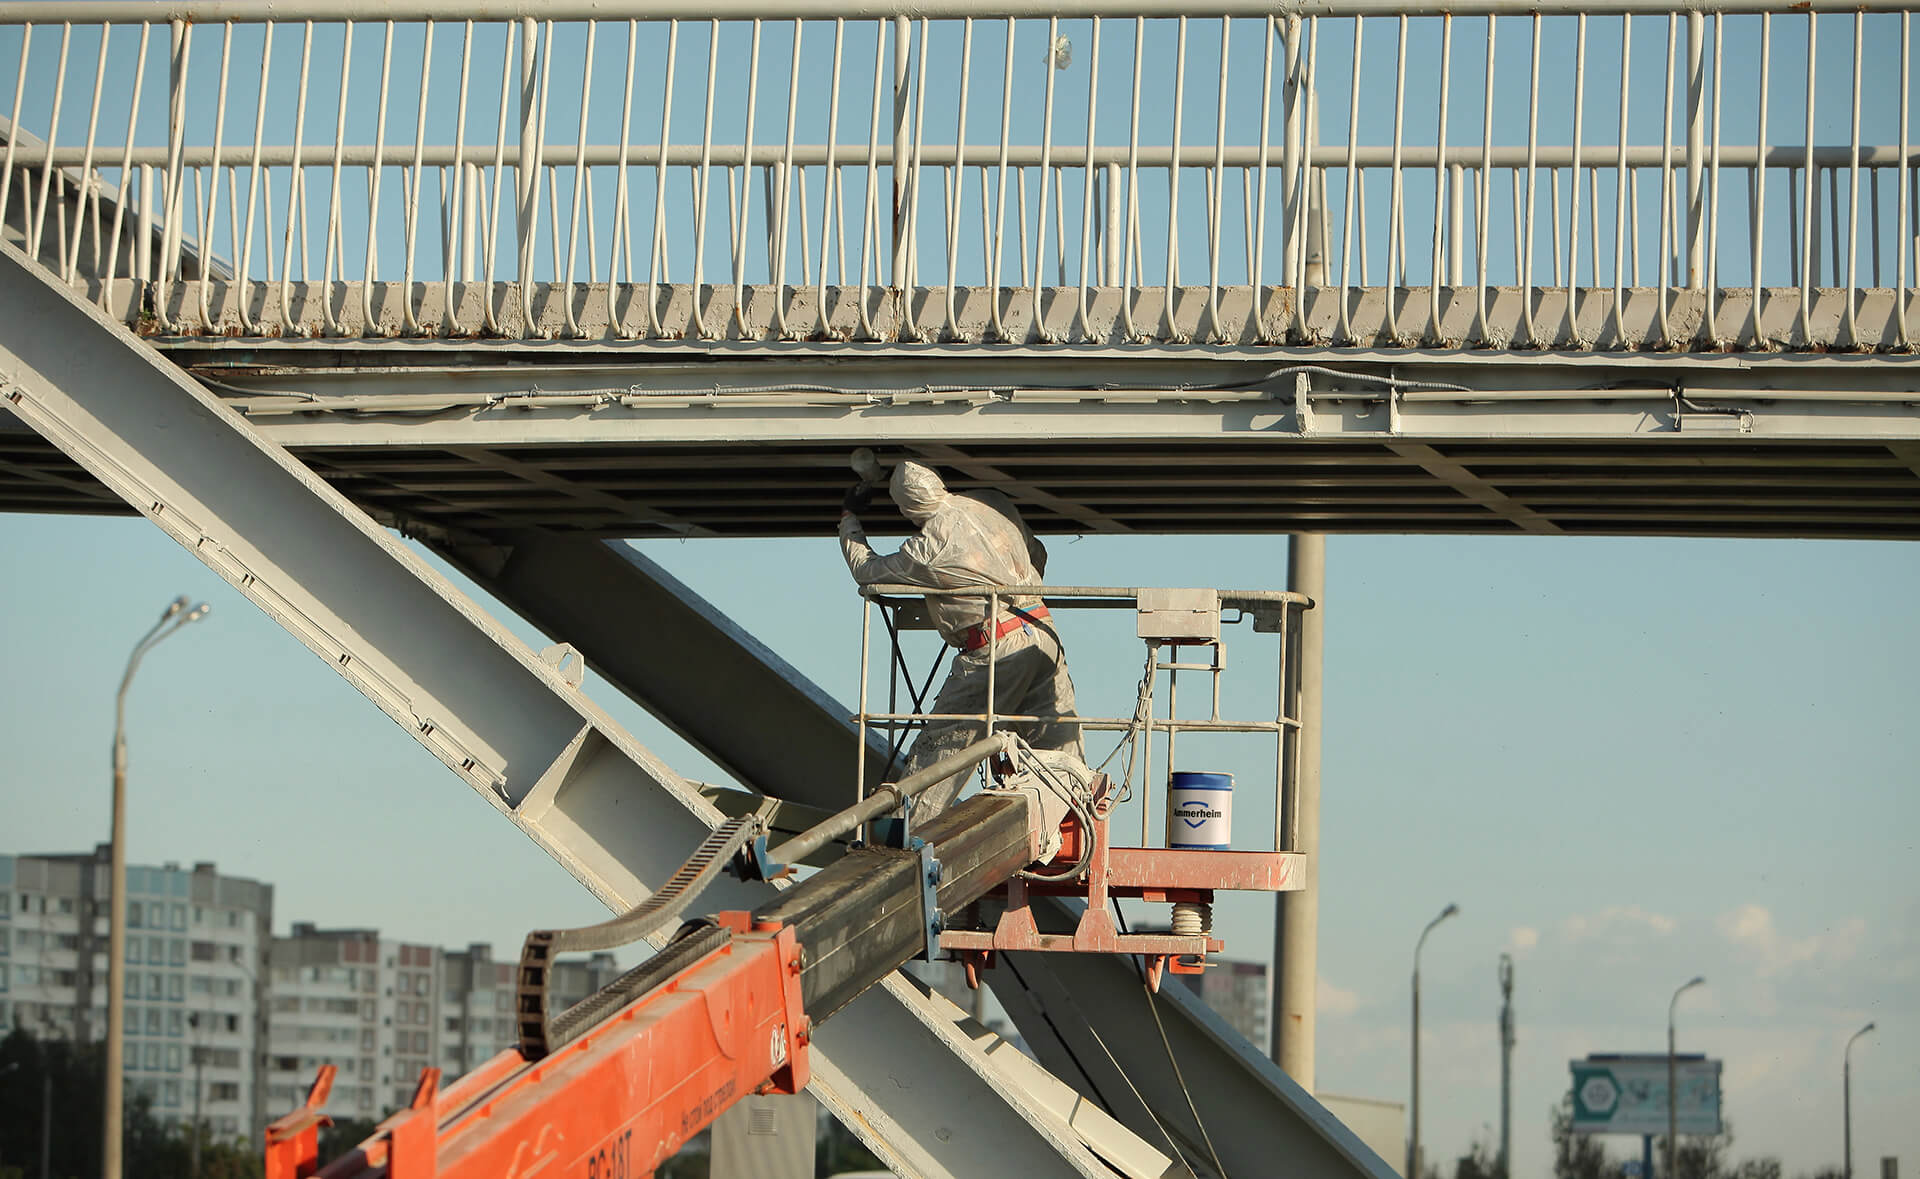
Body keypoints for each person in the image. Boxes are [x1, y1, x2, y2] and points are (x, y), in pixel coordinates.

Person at [838, 460, 1083, 820]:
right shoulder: (990, 501)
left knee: (944, 751)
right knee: (1055, 746)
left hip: (994, 648)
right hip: (1041, 628)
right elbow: (1038, 552)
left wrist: (849, 521)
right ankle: (1074, 821)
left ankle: (907, 836)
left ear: (906, 508)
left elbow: (867, 572)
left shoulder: (927, 549)